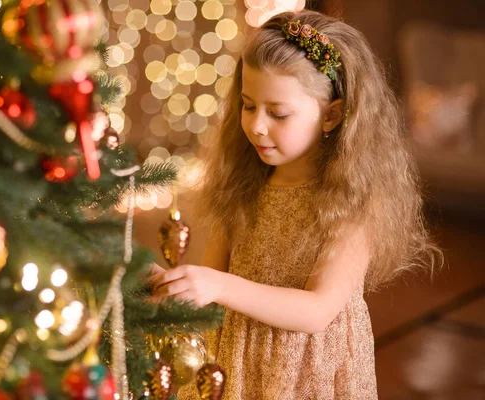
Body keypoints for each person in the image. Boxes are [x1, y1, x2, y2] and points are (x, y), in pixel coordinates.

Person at [148, 10, 441, 399]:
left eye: (278, 113)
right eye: (249, 106)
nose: (255, 126)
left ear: (332, 115)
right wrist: (177, 287)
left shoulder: (353, 202)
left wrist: (217, 285)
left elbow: (317, 310)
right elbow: (213, 286)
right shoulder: (243, 186)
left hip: (306, 375)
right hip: (232, 361)